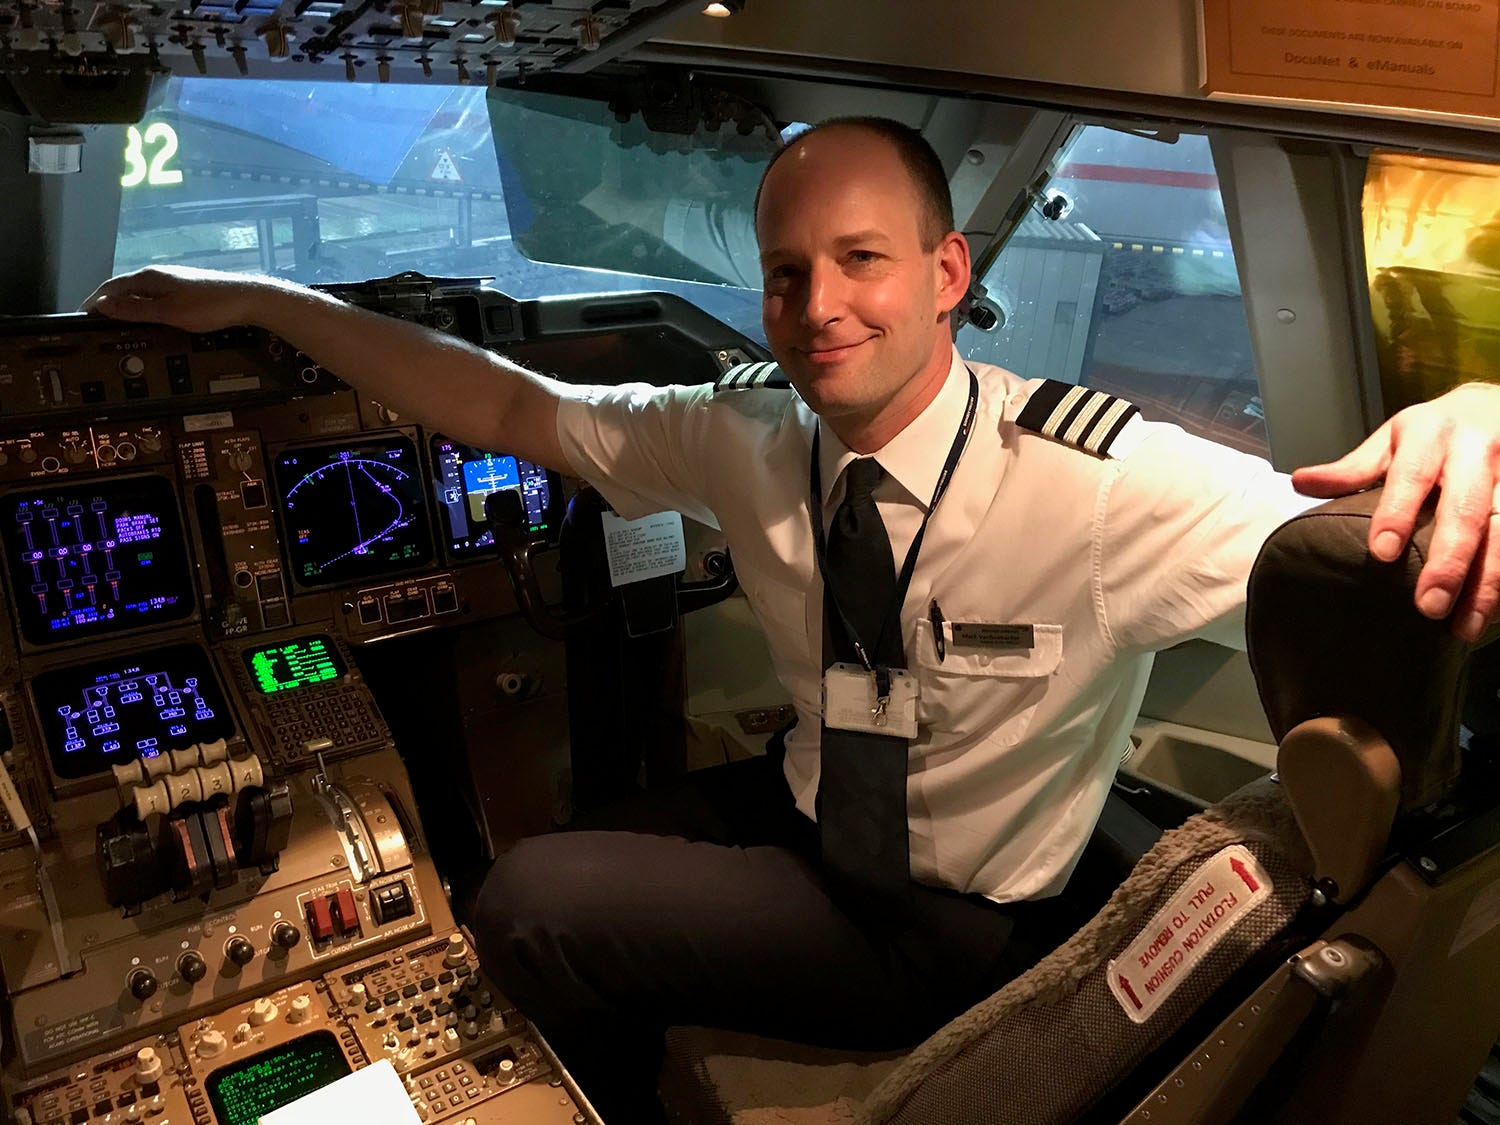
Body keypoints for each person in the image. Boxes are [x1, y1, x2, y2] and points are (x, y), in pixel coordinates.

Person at [85, 118, 1500, 1122]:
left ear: (948, 274)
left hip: (945, 923)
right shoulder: (750, 442)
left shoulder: (1101, 481)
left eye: (863, 261)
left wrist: (1483, 411)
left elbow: (1364, 538)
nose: (818, 308)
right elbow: (514, 405)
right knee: (577, 827)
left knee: (524, 905)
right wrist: (271, 297)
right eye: (786, 272)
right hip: (813, 801)